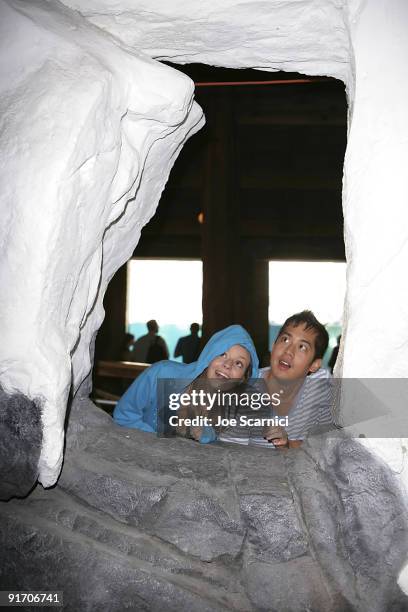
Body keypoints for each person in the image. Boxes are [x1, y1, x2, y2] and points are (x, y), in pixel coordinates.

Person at [113, 325, 259, 443]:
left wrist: (205, 433)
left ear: (243, 378)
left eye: (239, 363)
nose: (228, 364)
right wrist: (157, 441)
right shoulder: (162, 372)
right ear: (208, 356)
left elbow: (213, 432)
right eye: (222, 353)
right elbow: (123, 415)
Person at [219, 310, 332, 448]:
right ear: (273, 345)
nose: (288, 351)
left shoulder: (320, 385)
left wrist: (287, 445)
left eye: (302, 347)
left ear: (314, 365)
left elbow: (326, 446)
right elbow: (230, 454)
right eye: (285, 339)